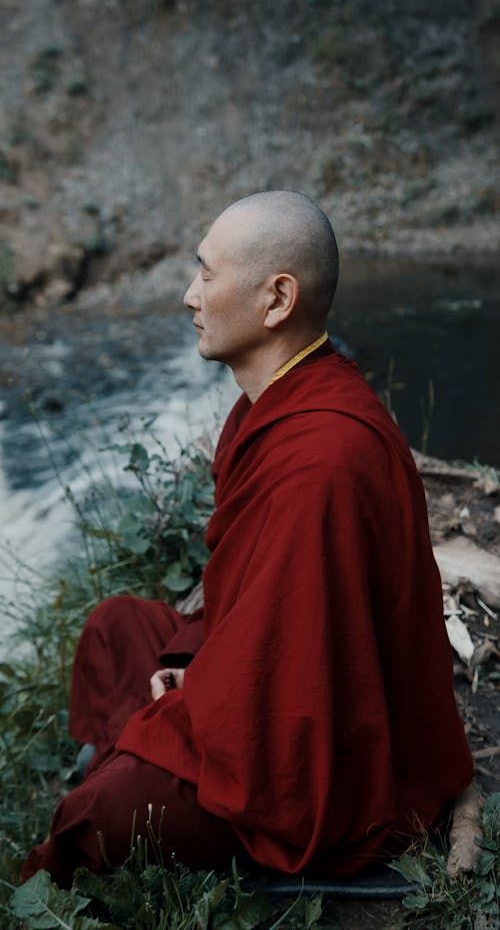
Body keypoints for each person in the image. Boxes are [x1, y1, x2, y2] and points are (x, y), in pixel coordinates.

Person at [22, 190, 473, 889]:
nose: (187, 295)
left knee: (96, 814)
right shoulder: (280, 401)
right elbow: (262, 614)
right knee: (118, 627)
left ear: (277, 299)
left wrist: (189, 697)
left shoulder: (323, 458)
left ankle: (131, 770)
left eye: (206, 274)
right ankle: (141, 757)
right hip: (274, 672)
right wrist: (195, 664)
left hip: (335, 764)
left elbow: (290, 683)